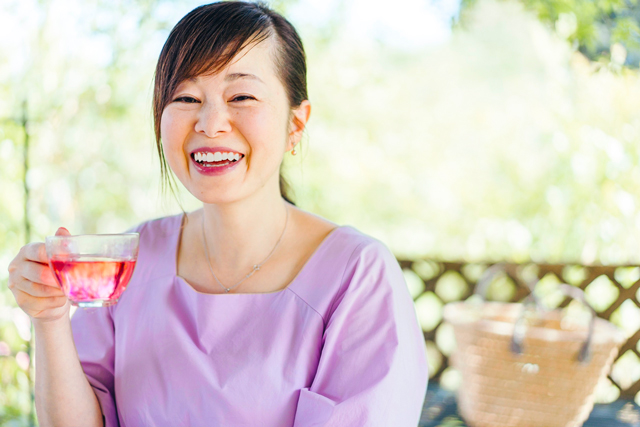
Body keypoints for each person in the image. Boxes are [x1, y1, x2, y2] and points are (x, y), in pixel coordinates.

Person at [7, 2, 428, 426]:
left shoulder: (356, 275)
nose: (210, 123)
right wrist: (50, 319)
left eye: (241, 96)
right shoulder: (132, 260)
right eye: (186, 97)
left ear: (295, 125)